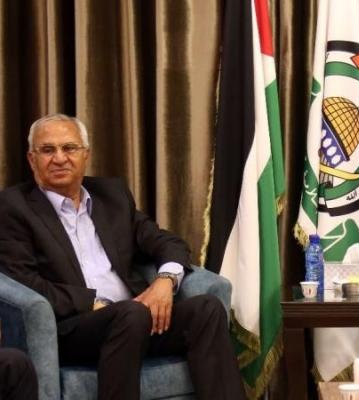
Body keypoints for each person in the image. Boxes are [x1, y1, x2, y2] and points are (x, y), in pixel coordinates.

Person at [0, 114, 246, 400]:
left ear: (85, 154)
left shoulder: (111, 196)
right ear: (32, 159)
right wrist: (92, 302)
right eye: (47, 150)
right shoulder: (14, 207)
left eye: (69, 148)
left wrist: (166, 280)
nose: (59, 158)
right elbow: (23, 280)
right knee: (132, 313)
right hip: (73, 327)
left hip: (137, 318)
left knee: (206, 309)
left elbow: (166, 242)